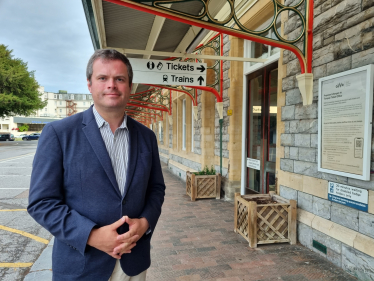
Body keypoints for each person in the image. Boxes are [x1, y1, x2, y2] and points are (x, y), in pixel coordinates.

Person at [28, 49, 166, 281]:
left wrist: (145, 223)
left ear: (129, 86)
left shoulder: (146, 136)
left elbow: (156, 189)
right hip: (81, 265)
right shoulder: (59, 134)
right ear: (90, 85)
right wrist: (91, 235)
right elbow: (42, 203)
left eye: (119, 79)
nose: (111, 85)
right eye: (103, 78)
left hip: (133, 263)